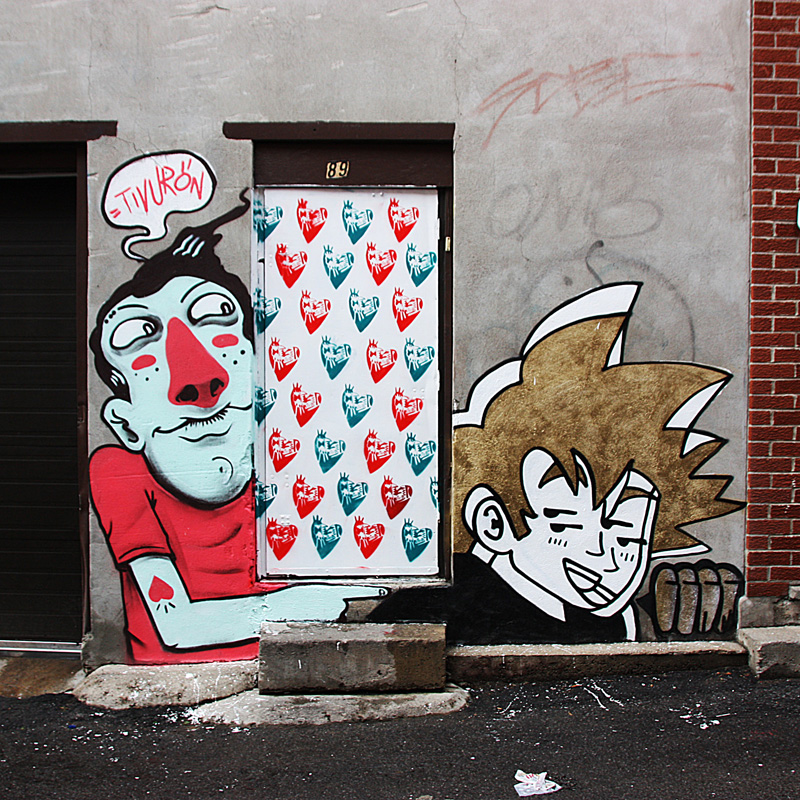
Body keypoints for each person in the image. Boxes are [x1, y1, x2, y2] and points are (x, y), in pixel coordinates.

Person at [90, 196, 379, 664]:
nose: (197, 378)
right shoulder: (117, 471)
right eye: (138, 336)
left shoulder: (293, 447)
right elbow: (178, 625)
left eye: (213, 315)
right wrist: (322, 599)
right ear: (124, 423)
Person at [371, 283, 743, 643]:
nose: (608, 558)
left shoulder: (607, 619)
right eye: (567, 524)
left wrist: (674, 618)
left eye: (628, 537)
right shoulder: (439, 608)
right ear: (493, 523)